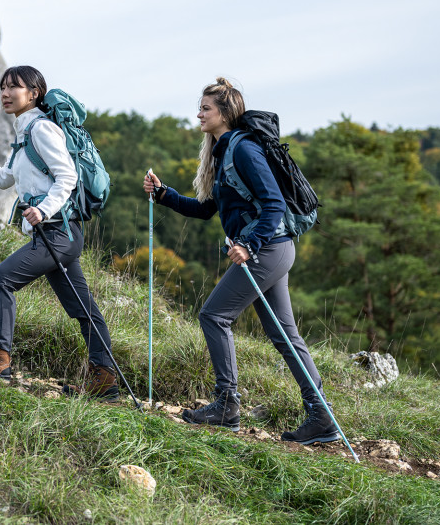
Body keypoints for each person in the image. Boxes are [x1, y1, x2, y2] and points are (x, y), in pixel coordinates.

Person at [142, 77, 338, 443]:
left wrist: (248, 244)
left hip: (267, 249)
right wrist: (164, 194)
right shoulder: (222, 152)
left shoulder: (243, 149)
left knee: (214, 316)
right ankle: (321, 418)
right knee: (284, 335)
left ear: (225, 112)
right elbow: (204, 210)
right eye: (199, 107)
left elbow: (274, 204)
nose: (198, 113)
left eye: (206, 108)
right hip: (273, 250)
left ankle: (227, 405)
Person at [0, 65, 120, 400]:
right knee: (84, 310)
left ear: (34, 93)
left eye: (15, 87)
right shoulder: (25, 133)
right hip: (54, 236)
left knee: (0, 280)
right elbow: (4, 178)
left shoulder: (41, 129)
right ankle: (104, 381)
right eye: (2, 87)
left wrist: (41, 209)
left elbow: (66, 177)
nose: (6, 93)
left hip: (59, 232)